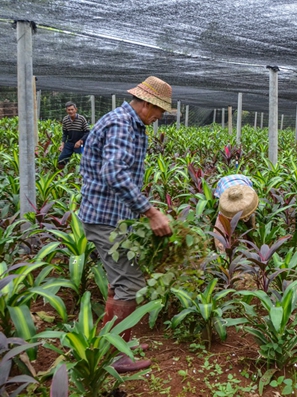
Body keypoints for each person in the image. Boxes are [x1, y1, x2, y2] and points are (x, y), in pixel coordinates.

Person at [79, 76, 173, 373]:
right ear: (146, 103)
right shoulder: (121, 124)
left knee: (120, 281)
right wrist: (151, 213)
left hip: (115, 218)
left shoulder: (132, 124)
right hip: (106, 219)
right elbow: (115, 173)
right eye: (159, 110)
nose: (160, 117)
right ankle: (116, 356)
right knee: (130, 284)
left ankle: (113, 341)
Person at [213, 174, 259, 252]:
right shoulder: (224, 205)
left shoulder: (251, 194)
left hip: (243, 179)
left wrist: (251, 227)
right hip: (223, 182)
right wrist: (220, 247)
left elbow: (252, 209)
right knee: (224, 222)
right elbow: (217, 230)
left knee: (250, 219)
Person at [58, 101, 90, 169]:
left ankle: (79, 176)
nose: (71, 111)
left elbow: (87, 132)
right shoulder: (65, 119)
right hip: (70, 143)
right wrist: (62, 144)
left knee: (80, 161)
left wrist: (80, 141)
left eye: (72, 109)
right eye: (69, 110)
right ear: (66, 110)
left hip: (80, 143)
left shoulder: (81, 118)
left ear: (76, 109)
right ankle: (62, 176)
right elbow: (65, 133)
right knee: (61, 160)